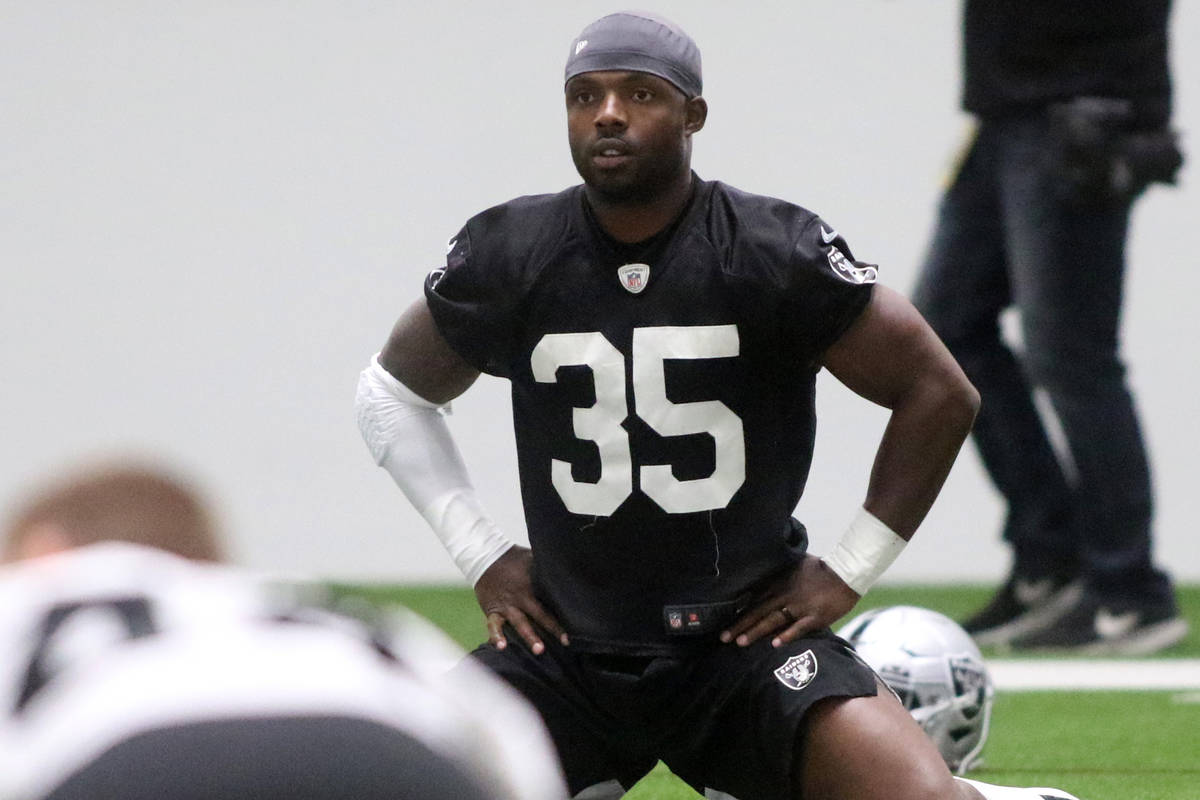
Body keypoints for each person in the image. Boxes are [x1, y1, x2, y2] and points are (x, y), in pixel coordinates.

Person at [357, 11, 1091, 800]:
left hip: (741, 651)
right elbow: (389, 395)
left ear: (692, 114)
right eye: (584, 95)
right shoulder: (514, 251)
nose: (608, 113)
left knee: (916, 797)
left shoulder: (769, 249)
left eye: (639, 93)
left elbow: (940, 392)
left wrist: (847, 572)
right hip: (570, 653)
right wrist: (482, 555)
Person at [0, 461, 566, 800]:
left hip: (126, 766)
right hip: (394, 760)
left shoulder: (37, 594)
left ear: (45, 550)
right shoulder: (320, 613)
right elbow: (509, 750)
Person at [912, 1, 1188, 653]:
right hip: (1006, 110)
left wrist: (1130, 116)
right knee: (944, 332)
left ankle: (1129, 590)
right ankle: (1050, 559)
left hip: (1082, 110)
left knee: (1071, 355)